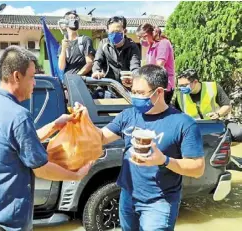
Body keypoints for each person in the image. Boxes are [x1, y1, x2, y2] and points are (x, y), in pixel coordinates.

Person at [0, 46, 92, 231]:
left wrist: (55, 125)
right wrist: (76, 175)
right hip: (8, 222)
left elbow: (17, 144)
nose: (35, 83)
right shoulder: (18, 115)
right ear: (17, 76)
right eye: (32, 76)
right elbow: (41, 169)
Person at [86, 64, 205, 230]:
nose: (135, 97)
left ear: (159, 93)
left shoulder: (183, 124)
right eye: (133, 91)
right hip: (128, 195)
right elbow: (100, 138)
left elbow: (197, 168)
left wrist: (163, 160)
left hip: (159, 202)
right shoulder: (129, 115)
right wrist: (83, 121)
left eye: (141, 93)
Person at [92, 16, 141, 86]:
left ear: (125, 31)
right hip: (107, 87)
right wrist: (96, 71)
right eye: (112, 32)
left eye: (118, 32)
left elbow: (135, 67)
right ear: (107, 31)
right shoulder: (103, 44)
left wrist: (134, 77)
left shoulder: (132, 47)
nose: (114, 35)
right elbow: (97, 61)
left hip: (126, 88)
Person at [136, 23, 176, 104]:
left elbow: (159, 66)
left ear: (149, 34)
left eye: (142, 37)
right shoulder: (151, 47)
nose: (141, 40)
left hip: (163, 86)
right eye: (139, 38)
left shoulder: (163, 43)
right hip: (153, 86)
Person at [58, 10, 96, 76]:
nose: (73, 20)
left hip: (81, 82)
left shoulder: (85, 40)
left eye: (75, 18)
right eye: (70, 18)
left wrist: (77, 77)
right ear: (65, 23)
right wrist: (63, 49)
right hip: (67, 82)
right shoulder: (63, 45)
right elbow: (61, 67)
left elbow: (90, 63)